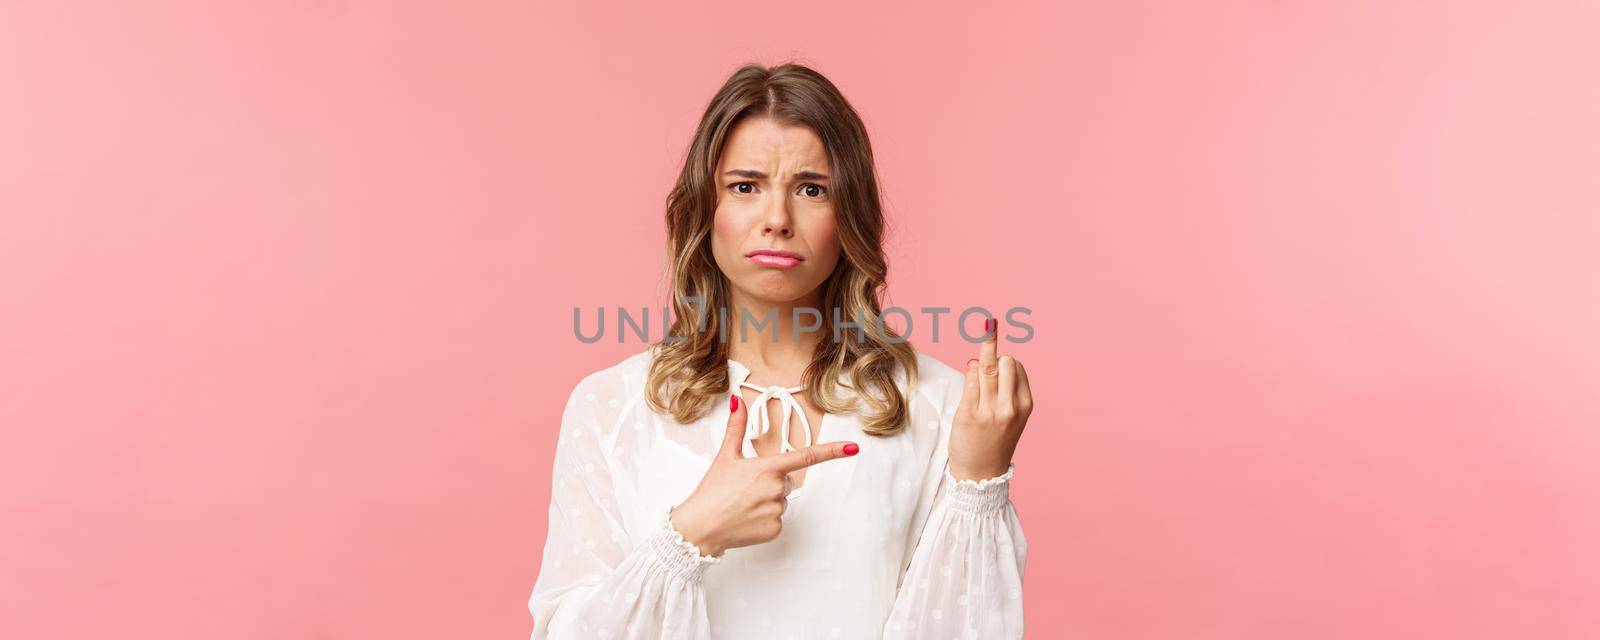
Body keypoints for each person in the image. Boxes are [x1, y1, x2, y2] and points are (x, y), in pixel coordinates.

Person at [528, 62, 1033, 639]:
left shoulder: (941, 408)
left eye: (811, 190)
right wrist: (690, 535)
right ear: (705, 209)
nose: (777, 220)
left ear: (850, 216)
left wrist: (979, 479)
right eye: (745, 187)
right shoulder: (610, 408)